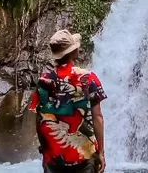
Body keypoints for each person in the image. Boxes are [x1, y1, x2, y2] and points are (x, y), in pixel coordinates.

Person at [29, 29, 107, 173]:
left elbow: (39, 119)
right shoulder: (88, 78)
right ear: (72, 52)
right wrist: (101, 152)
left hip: (53, 156)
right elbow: (98, 117)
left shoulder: (44, 81)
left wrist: (44, 148)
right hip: (85, 155)